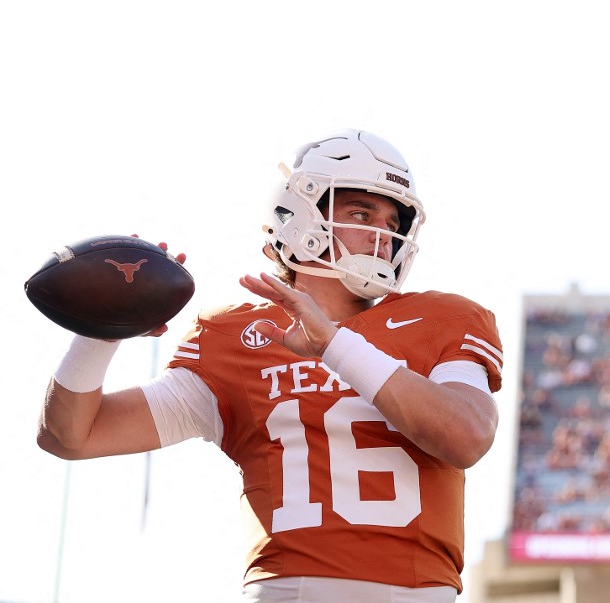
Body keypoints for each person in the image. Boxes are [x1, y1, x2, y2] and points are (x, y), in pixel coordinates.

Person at [36, 130, 504, 602]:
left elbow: (466, 436)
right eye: (361, 213)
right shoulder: (234, 337)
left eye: (393, 221)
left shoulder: (443, 318)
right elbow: (71, 436)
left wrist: (335, 346)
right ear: (300, 216)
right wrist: (104, 327)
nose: (382, 236)